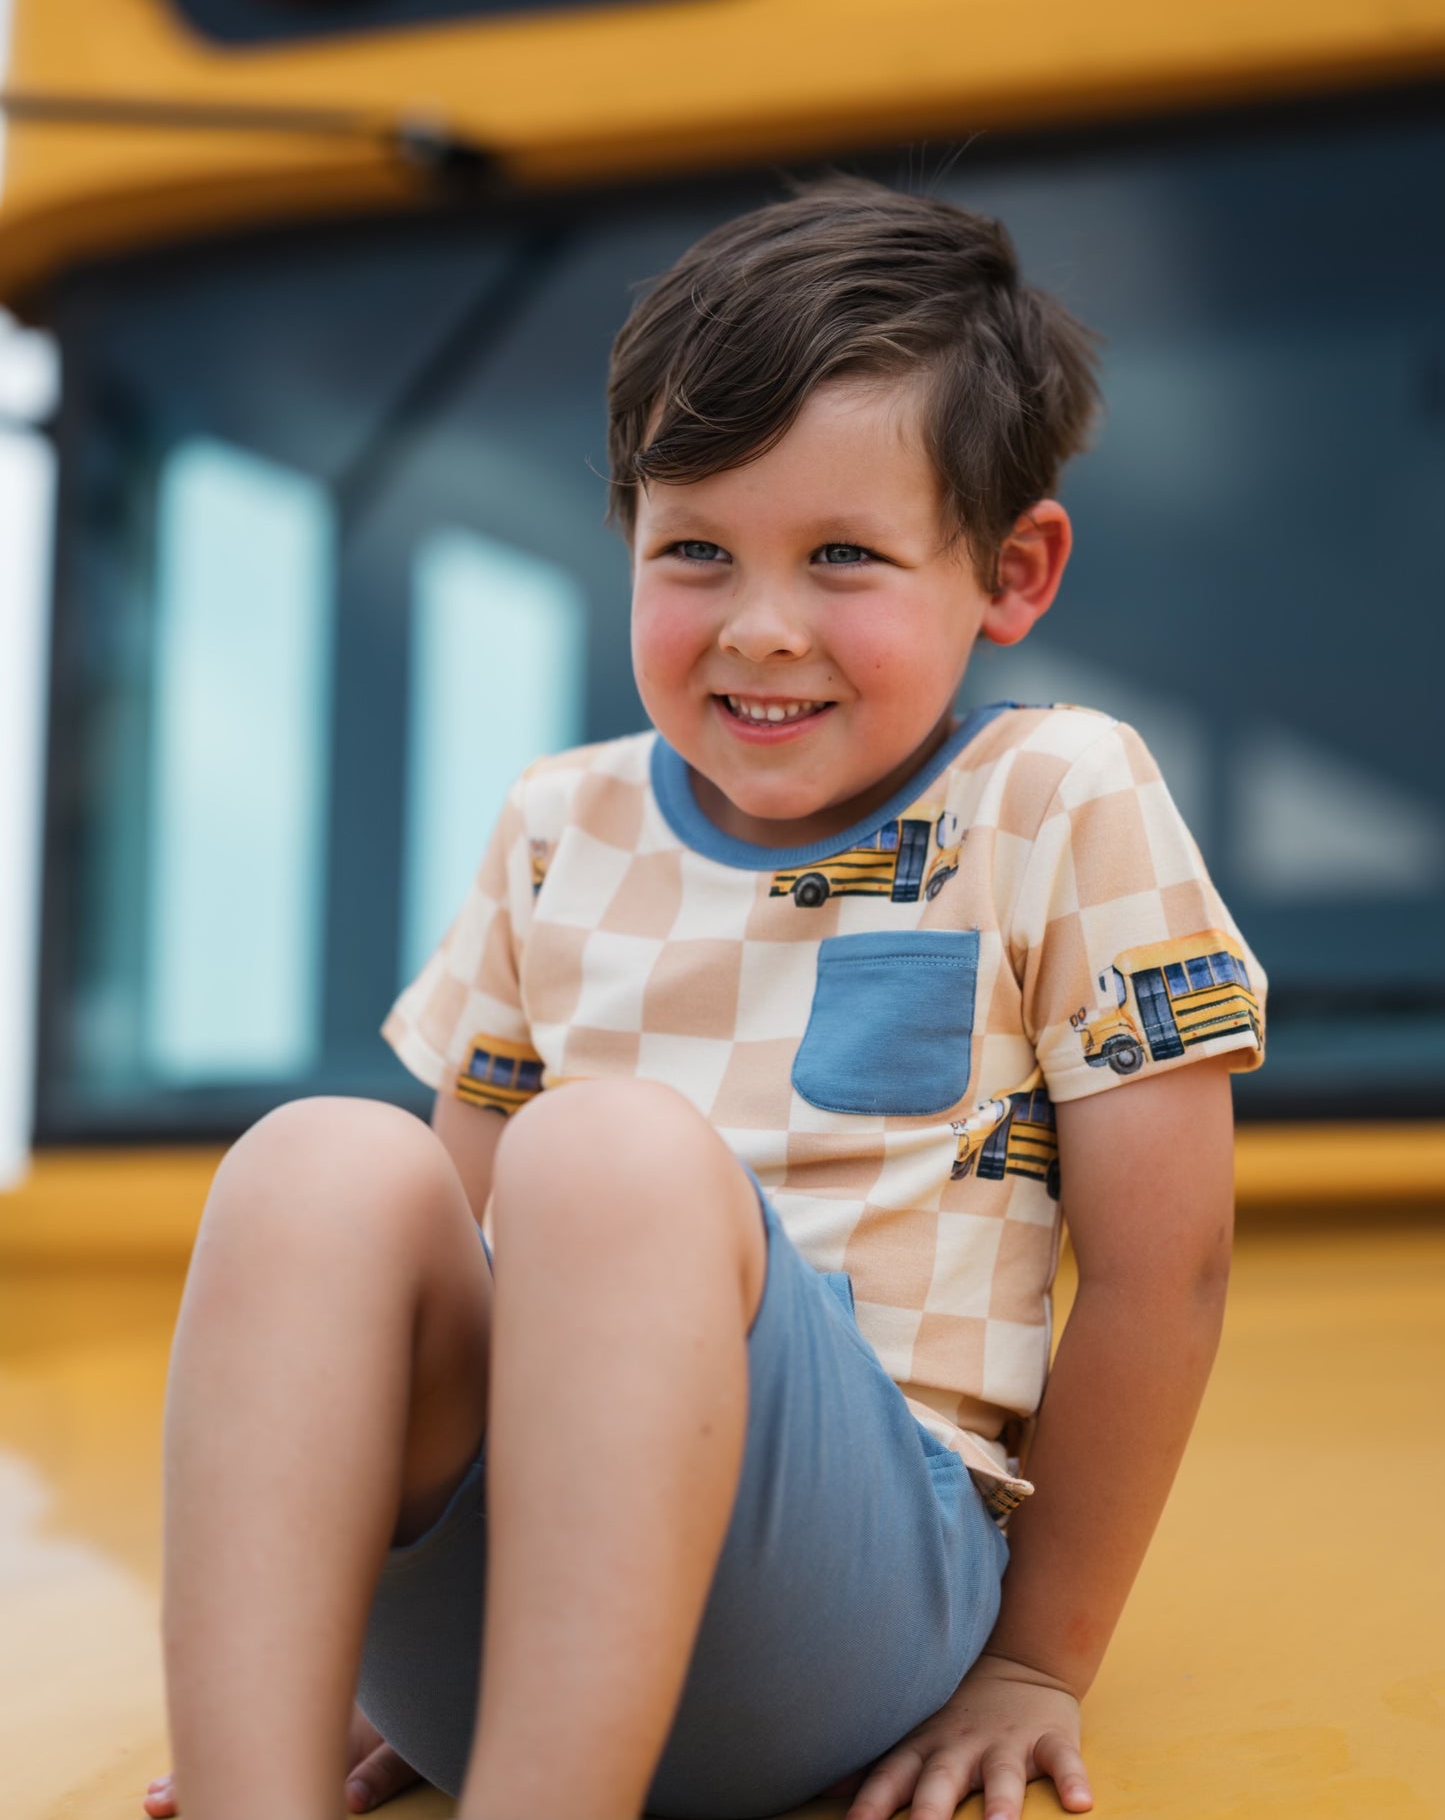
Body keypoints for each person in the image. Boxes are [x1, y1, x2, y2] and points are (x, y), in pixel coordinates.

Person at [142, 179, 1263, 1820]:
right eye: (694, 550)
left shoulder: (1050, 795)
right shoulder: (556, 823)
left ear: (1010, 572)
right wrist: (416, 1665)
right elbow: (431, 1277)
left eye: (840, 556)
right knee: (316, 1164)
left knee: (602, 1156)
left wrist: (1034, 1663)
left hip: (852, 1608)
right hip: (521, 1594)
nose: (758, 625)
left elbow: (1167, 1270)